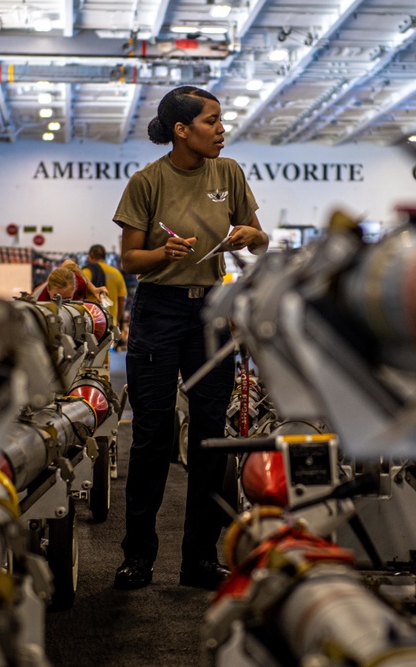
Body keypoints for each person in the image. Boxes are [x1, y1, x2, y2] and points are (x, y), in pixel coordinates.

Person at [112, 85, 269, 591]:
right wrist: (164, 253)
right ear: (182, 130)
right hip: (157, 313)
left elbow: (260, 237)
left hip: (211, 314)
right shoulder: (146, 181)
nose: (222, 130)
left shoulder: (230, 173)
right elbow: (129, 260)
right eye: (213, 121)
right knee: (153, 439)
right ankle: (138, 556)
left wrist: (251, 237)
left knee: (210, 441)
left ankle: (199, 558)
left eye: (222, 121)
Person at [82, 244, 127, 327]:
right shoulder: (117, 273)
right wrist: (117, 319)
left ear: (91, 255)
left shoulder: (86, 271)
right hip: (111, 324)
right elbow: (122, 300)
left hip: (92, 324)